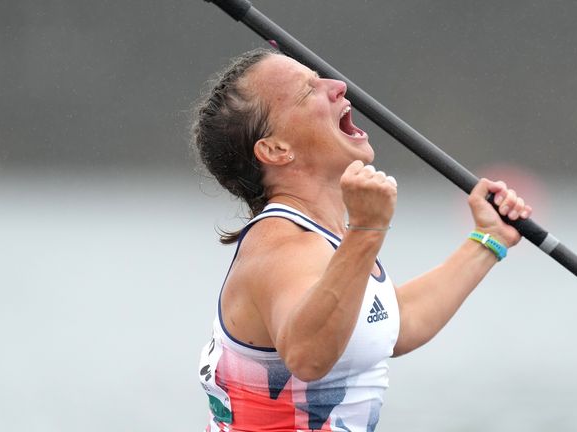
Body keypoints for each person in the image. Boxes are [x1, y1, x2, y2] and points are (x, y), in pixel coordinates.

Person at [191, 48, 532, 432]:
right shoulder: (283, 243)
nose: (338, 86)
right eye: (309, 91)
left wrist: (487, 241)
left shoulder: (323, 240)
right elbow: (308, 356)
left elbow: (392, 323)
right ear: (275, 149)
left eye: (322, 78)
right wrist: (367, 230)